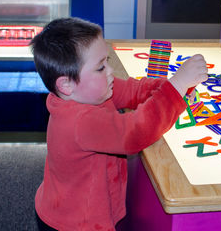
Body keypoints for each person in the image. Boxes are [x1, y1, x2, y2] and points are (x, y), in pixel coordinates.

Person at [31, 17, 208, 231]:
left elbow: (132, 90)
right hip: (76, 223)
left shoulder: (90, 92)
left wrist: (169, 86)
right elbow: (134, 132)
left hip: (79, 207)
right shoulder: (79, 122)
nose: (110, 71)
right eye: (100, 68)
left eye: (107, 62)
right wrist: (177, 86)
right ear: (66, 84)